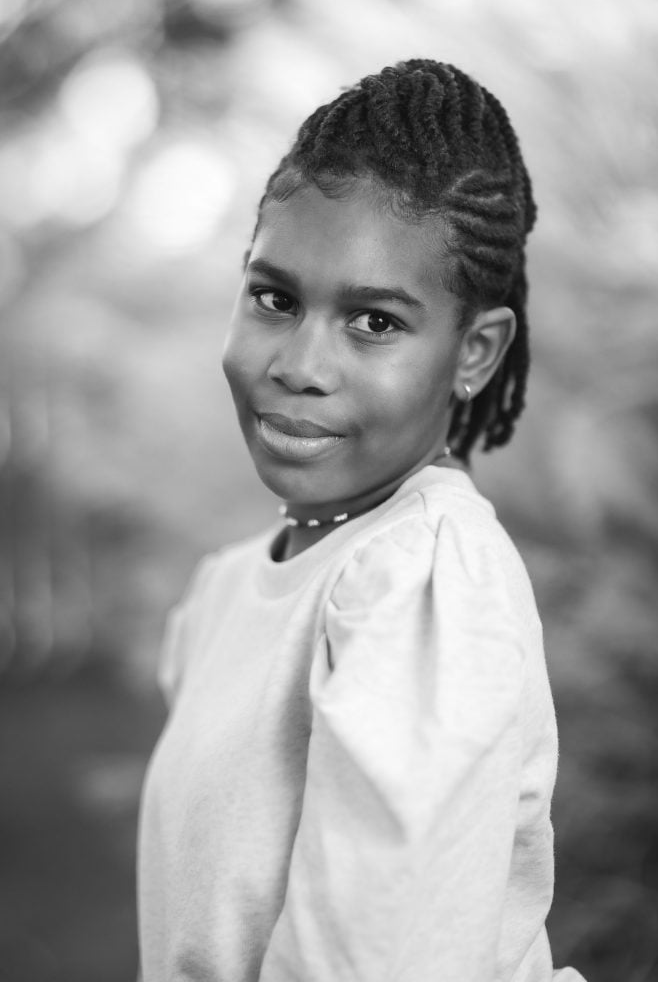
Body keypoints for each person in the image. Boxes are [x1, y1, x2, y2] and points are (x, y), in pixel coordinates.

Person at [137, 59, 585, 982]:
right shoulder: (228, 589)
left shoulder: (422, 580)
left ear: (474, 353)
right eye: (274, 297)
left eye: (374, 321)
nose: (299, 362)